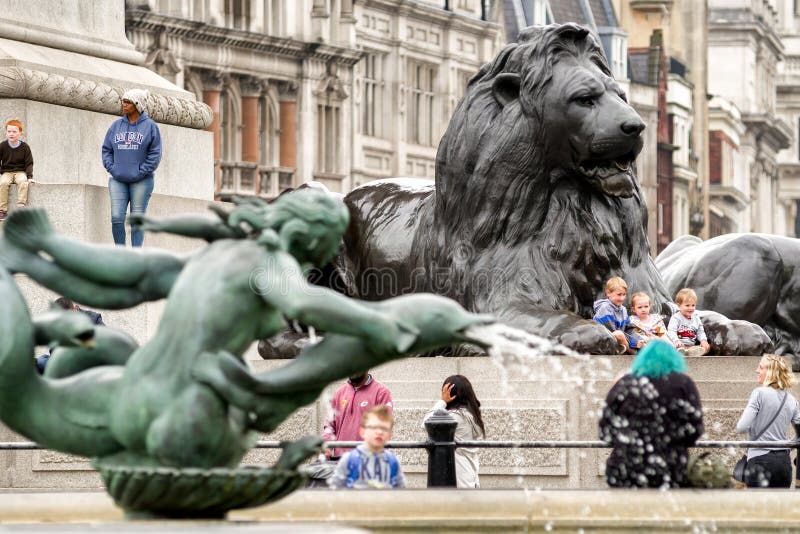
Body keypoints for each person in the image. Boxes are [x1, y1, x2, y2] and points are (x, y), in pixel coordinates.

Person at [599, 340, 704, 488]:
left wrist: (624, 442)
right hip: (671, 468)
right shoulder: (683, 383)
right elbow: (695, 429)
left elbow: (605, 429)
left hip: (625, 467)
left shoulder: (626, 383)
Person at [102, 88, 162, 247]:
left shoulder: (150, 127)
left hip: (142, 181)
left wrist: (141, 171)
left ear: (138, 105)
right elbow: (106, 149)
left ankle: (136, 255)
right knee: (116, 218)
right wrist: (112, 168)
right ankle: (120, 254)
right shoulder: (116, 126)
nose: (124, 104)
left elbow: (155, 154)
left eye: (128, 102)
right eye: (123, 101)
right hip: (118, 180)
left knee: (136, 220)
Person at [735, 354, 800, 488]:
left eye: (761, 367)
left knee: (757, 507)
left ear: (771, 372)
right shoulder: (792, 400)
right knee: (780, 508)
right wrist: (787, 442)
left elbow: (741, 427)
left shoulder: (759, 393)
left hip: (759, 461)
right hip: (784, 464)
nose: (756, 370)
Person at [422, 375, 485, 488]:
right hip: (469, 472)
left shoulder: (456, 416)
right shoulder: (471, 414)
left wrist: (442, 401)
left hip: (457, 474)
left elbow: (426, 423)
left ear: (451, 394)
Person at [328, 405, 406, 489]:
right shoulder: (349, 460)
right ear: (362, 432)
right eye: (374, 427)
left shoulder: (393, 461)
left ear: (390, 436)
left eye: (384, 428)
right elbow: (334, 491)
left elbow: (401, 492)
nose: (379, 432)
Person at [322, 370, 393, 459]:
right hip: (340, 460)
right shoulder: (339, 393)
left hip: (368, 460)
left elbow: (385, 426)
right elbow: (330, 426)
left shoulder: (381, 393)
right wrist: (326, 446)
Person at [593, 276, 637, 353]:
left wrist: (637, 340)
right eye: (619, 294)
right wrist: (633, 342)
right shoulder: (605, 308)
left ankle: (635, 348)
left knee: (642, 338)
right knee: (619, 334)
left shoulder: (623, 309)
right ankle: (633, 353)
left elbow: (629, 328)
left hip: (620, 338)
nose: (622, 298)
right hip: (604, 339)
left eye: (624, 294)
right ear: (608, 293)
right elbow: (611, 331)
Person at [0, 119, 34, 221]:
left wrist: (29, 177)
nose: (11, 134)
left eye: (14, 132)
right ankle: (2, 210)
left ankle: (21, 208)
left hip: (20, 172)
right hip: (7, 172)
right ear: (6, 133)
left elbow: (29, 163)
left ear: (20, 133)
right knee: (3, 183)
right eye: (9, 131)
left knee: (23, 182)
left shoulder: (25, 147)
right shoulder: (2, 146)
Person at [667, 288, 710, 356]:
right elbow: (671, 331)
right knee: (674, 347)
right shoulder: (676, 318)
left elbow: (700, 331)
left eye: (693, 305)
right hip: (679, 344)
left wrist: (703, 340)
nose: (691, 308)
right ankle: (681, 352)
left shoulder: (696, 318)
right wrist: (676, 340)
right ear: (679, 305)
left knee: (706, 348)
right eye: (687, 305)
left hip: (691, 345)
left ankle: (690, 352)